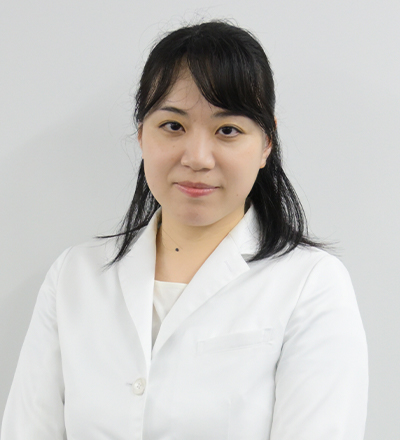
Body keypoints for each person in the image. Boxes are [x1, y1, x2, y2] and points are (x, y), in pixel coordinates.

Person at [1, 20, 368, 440]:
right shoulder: (74, 276)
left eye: (227, 130)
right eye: (173, 126)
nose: (197, 158)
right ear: (142, 134)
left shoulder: (311, 284)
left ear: (266, 143)